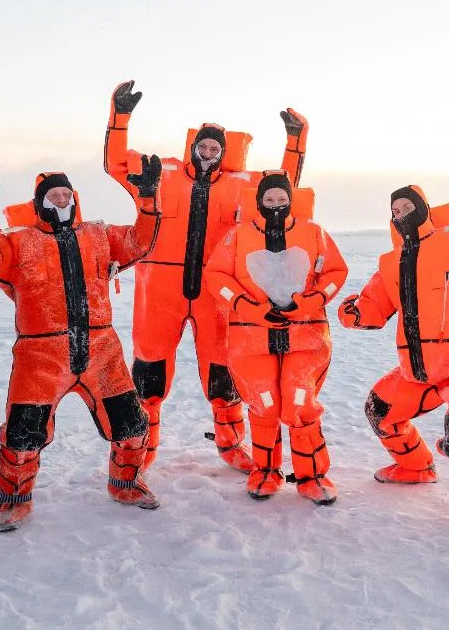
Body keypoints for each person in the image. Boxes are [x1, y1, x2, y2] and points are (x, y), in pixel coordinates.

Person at [104, 80, 309, 474]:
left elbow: (283, 185)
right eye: (204, 146)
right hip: (159, 293)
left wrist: (296, 140)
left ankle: (231, 445)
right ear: (193, 146)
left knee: (222, 375)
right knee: (149, 374)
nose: (209, 153)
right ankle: (141, 449)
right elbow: (115, 164)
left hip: (216, 292)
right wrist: (120, 117)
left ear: (224, 152)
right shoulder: (159, 174)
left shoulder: (241, 186)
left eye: (216, 148)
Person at [0, 152, 164, 531]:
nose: (60, 200)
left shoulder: (98, 235)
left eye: (65, 194)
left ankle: (126, 483)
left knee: (133, 426)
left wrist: (149, 199)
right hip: (41, 354)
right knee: (23, 436)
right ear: (40, 203)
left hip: (101, 350)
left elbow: (140, 242)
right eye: (52, 195)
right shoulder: (20, 242)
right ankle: (13, 499)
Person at [338, 173, 449, 526]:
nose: (401, 212)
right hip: (419, 371)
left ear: (424, 209)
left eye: (408, 206)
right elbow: (373, 307)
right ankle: (415, 466)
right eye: (395, 209)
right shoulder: (391, 261)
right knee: (380, 411)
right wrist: (353, 313)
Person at [206, 171, 348, 504]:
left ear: (290, 200)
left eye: (281, 199)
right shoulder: (238, 236)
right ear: (258, 203)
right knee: (264, 404)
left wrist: (313, 301)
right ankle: (265, 472)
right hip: (252, 338)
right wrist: (245, 306)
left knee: (299, 404)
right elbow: (217, 275)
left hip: (306, 337)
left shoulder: (314, 233)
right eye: (269, 200)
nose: (275, 205)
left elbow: (335, 273)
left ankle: (313, 476)